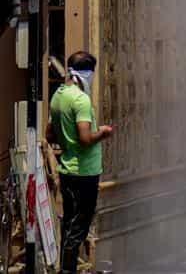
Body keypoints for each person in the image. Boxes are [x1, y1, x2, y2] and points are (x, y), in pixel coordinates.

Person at [46, 51, 114, 274]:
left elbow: (50, 135)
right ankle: (67, 270)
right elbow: (86, 138)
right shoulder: (81, 99)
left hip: (67, 170)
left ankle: (68, 268)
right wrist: (102, 132)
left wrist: (67, 138)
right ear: (86, 73)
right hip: (84, 172)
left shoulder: (58, 96)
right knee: (79, 226)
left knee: (70, 223)